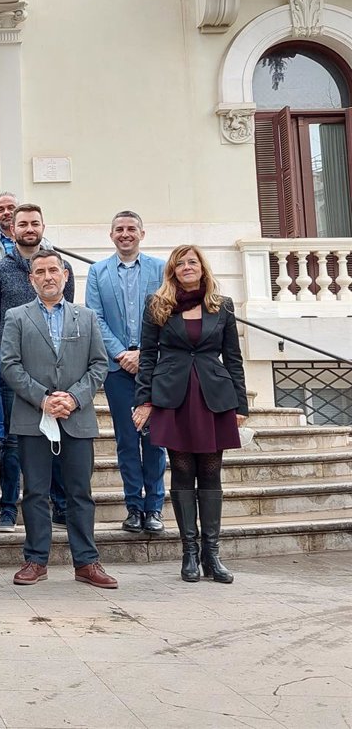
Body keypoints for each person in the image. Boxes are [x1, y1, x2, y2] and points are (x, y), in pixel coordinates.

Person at [0, 251, 116, 589]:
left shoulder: (87, 317)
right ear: (31, 279)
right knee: (35, 492)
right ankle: (36, 560)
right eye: (40, 271)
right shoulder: (16, 316)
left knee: (80, 492)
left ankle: (87, 562)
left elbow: (99, 364)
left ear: (65, 275)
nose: (48, 276)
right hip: (33, 417)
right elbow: (9, 364)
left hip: (76, 417)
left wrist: (74, 398)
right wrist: (44, 399)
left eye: (54, 270)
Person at [133, 245, 248, 585]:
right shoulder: (157, 304)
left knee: (211, 472)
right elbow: (147, 356)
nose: (186, 267)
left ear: (202, 267)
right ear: (172, 271)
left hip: (214, 397)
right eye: (180, 263)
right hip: (174, 396)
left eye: (192, 262)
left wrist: (241, 405)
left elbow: (233, 357)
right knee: (182, 471)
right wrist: (144, 400)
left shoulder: (222, 305)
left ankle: (212, 555)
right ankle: (190, 554)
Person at [0, 203, 73, 531]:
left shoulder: (61, 268)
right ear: (12, 228)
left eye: (35, 223)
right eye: (23, 224)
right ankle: (8, 508)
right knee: (11, 442)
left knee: (55, 436)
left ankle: (60, 504)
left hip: (54, 371)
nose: (29, 228)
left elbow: (66, 314)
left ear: (43, 227)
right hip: (14, 374)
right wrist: (15, 359)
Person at [85, 211, 168, 534]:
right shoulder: (98, 272)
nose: (125, 234)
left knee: (155, 438)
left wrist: (144, 353)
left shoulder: (160, 269)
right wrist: (121, 353)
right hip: (117, 368)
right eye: (119, 229)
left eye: (131, 228)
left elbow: (167, 313)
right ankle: (134, 506)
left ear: (142, 234)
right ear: (111, 235)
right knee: (126, 439)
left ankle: (155, 507)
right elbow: (95, 317)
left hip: (154, 365)